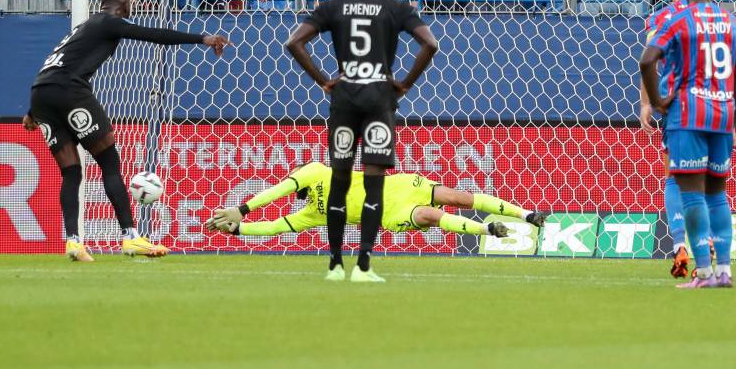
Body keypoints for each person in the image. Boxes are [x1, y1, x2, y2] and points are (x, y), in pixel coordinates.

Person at [23, 0, 229, 262]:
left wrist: (33, 111)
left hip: (40, 94)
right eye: (130, 1)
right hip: (70, 91)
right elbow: (155, 35)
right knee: (109, 163)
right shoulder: (110, 22)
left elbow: (56, 64)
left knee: (71, 172)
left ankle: (73, 241)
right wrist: (202, 38)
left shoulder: (84, 27)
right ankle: (131, 237)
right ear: (122, 1)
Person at [285, 0, 439, 283]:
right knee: (373, 185)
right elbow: (430, 44)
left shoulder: (333, 4)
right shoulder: (395, 6)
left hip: (344, 100)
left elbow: (294, 43)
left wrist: (324, 81)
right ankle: (364, 266)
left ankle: (335, 265)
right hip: (379, 100)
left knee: (339, 180)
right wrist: (404, 84)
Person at [640, 0, 735, 288]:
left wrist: (655, 101)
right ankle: (725, 271)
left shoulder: (678, 19)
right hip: (724, 113)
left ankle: (704, 272)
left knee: (692, 193)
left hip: (688, 112)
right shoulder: (728, 21)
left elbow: (648, 59)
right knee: (719, 194)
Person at [205, 161, 547, 239]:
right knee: (429, 215)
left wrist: (242, 207)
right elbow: (274, 227)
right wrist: (237, 229)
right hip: (390, 211)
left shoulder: (314, 171)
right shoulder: (313, 212)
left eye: (293, 182)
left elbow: (275, 191)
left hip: (398, 186)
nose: (292, 184)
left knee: (458, 196)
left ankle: (526, 213)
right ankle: (489, 231)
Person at [640, 0, 691, 278]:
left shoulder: (660, 18)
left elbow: (649, 62)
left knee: (674, 177)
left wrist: (646, 102)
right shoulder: (719, 17)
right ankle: (710, 244)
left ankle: (679, 245)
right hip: (714, 105)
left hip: (675, 106)